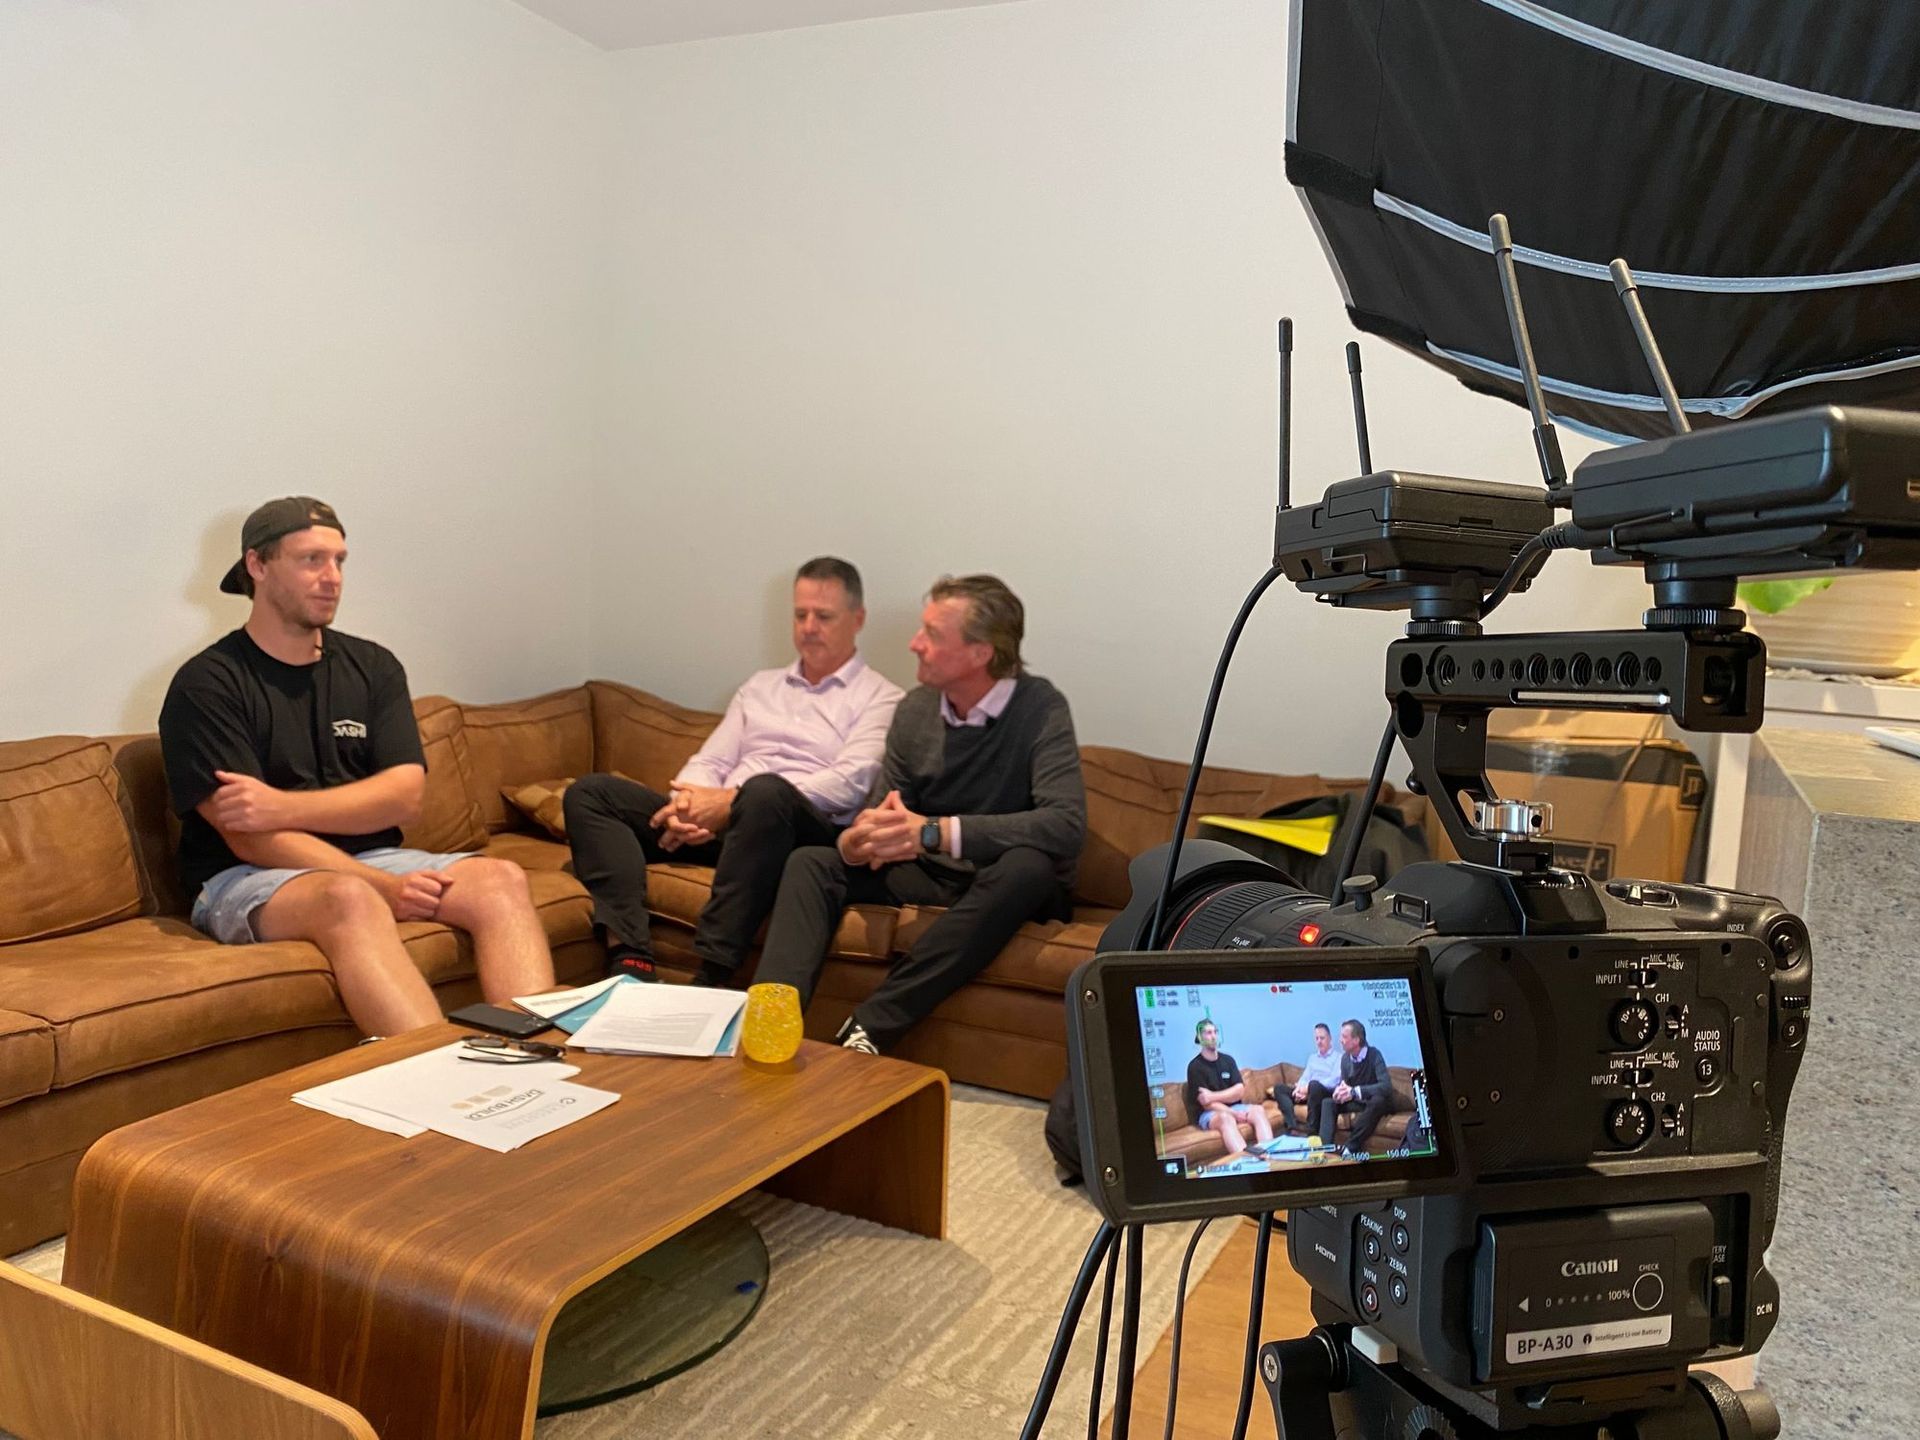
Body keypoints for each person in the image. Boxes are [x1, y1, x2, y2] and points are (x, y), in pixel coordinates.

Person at [158, 497, 556, 1037]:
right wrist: (378, 885)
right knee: (349, 898)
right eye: (311, 560)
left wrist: (280, 806)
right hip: (243, 878)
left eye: (339, 561)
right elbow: (251, 839)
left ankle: (535, 1056)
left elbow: (404, 796)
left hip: (376, 854)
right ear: (258, 565)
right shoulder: (208, 684)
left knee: (500, 879)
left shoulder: (372, 666)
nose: (332, 578)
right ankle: (437, 1079)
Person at [752, 574, 1085, 1054]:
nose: (914, 644)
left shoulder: (1041, 708)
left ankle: (871, 1026)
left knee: (1028, 867)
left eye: (931, 634)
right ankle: (771, 1026)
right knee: (812, 861)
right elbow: (888, 806)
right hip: (931, 873)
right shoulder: (916, 709)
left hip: (1005, 883)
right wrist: (860, 838)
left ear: (980, 653)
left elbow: (1065, 825)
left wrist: (932, 833)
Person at [563, 558, 902, 984]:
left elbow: (848, 785)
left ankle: (715, 969)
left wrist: (729, 802)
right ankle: (630, 957)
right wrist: (687, 807)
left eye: (824, 616)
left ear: (858, 619)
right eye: (800, 615)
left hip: (797, 834)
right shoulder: (761, 686)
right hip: (728, 832)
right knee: (592, 794)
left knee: (765, 792)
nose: (809, 626)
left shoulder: (882, 698)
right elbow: (712, 760)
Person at [1185, 1019, 1273, 1159]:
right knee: (1226, 1118)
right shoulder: (1195, 1067)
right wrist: (1232, 1112)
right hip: (1211, 1113)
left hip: (1236, 1106)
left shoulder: (1228, 1060)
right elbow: (1206, 1103)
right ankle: (1246, 1161)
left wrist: (1212, 1095)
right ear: (1200, 1038)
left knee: (1258, 1110)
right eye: (1208, 1033)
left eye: (1215, 1032)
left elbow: (1239, 1090)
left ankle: (1268, 1154)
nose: (1213, 1036)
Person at [1312, 1018, 1395, 1154]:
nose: (1340, 1040)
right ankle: (1324, 1150)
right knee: (1328, 1102)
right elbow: (1346, 1084)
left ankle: (1351, 1147)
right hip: (1357, 1102)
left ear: (1356, 1040)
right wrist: (1340, 1093)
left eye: (1344, 1037)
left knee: (1378, 1100)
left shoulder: (1374, 1055)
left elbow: (1385, 1086)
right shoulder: (1345, 1059)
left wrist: (1355, 1091)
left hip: (1375, 1102)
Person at [1288, 1021, 1344, 1133]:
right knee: (1279, 1089)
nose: (1319, 1041)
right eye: (1317, 1038)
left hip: (1325, 1092)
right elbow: (1305, 1077)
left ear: (1330, 1039)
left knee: (1314, 1084)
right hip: (1309, 1092)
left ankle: (1311, 1131)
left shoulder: (1339, 1057)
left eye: (1322, 1038)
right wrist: (1299, 1089)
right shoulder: (1312, 1058)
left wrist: (1308, 1087)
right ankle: (1292, 1125)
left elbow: (1334, 1081)